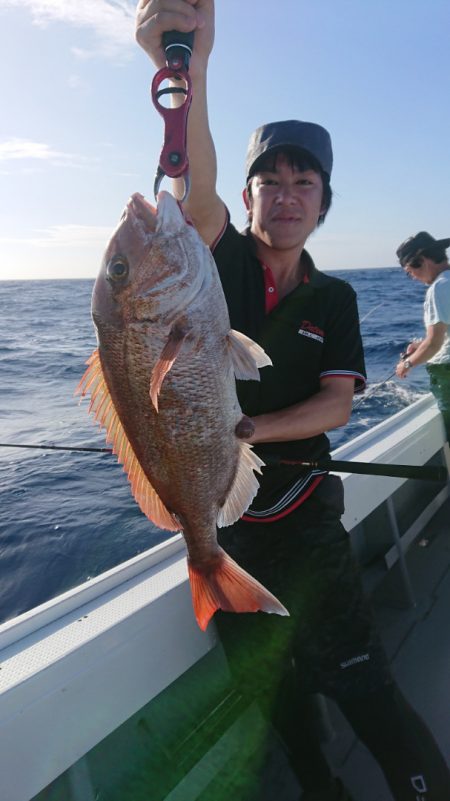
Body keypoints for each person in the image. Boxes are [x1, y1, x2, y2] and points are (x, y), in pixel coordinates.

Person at [135, 3, 450, 799]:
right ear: (243, 200)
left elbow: (338, 405)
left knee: (368, 687)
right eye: (267, 182)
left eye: (302, 181)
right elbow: (192, 181)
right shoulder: (213, 263)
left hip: (307, 520)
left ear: (324, 201)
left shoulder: (337, 298)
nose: (285, 195)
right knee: (280, 705)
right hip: (227, 531)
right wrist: (190, 63)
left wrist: (252, 428)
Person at [396, 231, 450, 441]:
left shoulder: (439, 287)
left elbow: (434, 344)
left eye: (410, 272)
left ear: (422, 261)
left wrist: (407, 364)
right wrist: (422, 344)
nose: (413, 278)